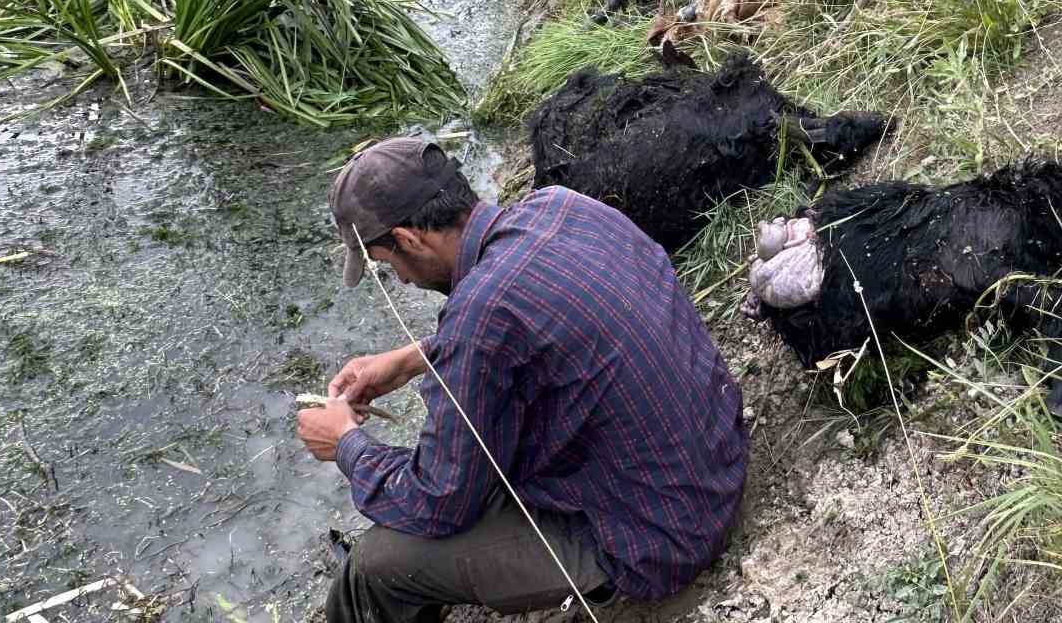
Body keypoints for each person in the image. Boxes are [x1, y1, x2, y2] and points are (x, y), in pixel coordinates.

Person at [297, 136, 749, 622]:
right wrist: (414, 357)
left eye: (389, 266)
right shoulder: (559, 205)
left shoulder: (480, 319)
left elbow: (437, 500)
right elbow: (547, 326)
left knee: (376, 565)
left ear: (408, 239)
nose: (402, 281)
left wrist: (346, 443)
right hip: (716, 466)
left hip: (657, 539)